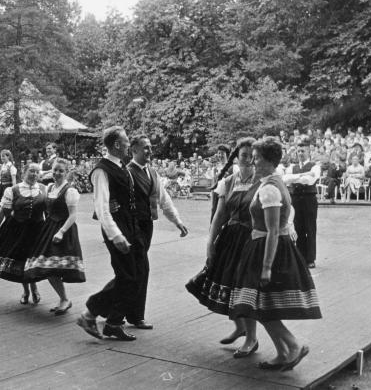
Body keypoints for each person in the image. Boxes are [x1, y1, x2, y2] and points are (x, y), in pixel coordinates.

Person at [230, 137, 321, 371]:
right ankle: (283, 353)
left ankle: (293, 345)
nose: (253, 161)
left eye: (258, 158)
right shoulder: (272, 182)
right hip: (264, 246)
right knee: (263, 305)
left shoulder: (270, 188)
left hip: (267, 249)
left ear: (269, 161)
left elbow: (272, 231)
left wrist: (267, 266)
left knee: (259, 305)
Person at [186, 138, 261, 358]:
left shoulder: (263, 181)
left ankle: (252, 338)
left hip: (251, 239)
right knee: (229, 282)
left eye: (252, 156)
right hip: (230, 238)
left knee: (245, 287)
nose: (248, 160)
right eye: (244, 155)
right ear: (236, 157)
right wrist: (210, 242)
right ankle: (240, 327)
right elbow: (219, 215)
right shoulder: (228, 181)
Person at [76, 126, 145, 341]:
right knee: (128, 277)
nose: (128, 144)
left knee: (135, 276)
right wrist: (116, 235)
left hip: (131, 227)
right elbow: (102, 209)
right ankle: (91, 314)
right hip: (118, 229)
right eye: (126, 141)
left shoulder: (120, 165)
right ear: (116, 144)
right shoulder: (101, 170)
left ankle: (113, 322)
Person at [127, 136, 188, 329]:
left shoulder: (152, 173)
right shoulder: (126, 172)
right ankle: (135, 315)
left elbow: (164, 199)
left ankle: (114, 310)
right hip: (131, 225)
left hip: (147, 226)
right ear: (134, 149)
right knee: (140, 269)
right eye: (145, 148)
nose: (150, 151)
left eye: (150, 148)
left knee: (132, 270)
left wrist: (177, 221)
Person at [25, 159, 85, 314]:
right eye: (55, 170)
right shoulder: (50, 187)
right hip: (49, 228)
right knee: (46, 267)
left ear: (67, 173)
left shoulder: (70, 191)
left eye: (61, 171)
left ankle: (64, 299)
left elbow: (72, 216)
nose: (57, 173)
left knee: (52, 267)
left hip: (63, 230)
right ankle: (64, 299)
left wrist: (61, 232)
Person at [0, 163, 46, 303]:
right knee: (22, 261)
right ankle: (26, 291)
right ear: (24, 172)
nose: (34, 174)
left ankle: (34, 288)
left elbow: (48, 212)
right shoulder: (13, 190)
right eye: (31, 171)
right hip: (19, 231)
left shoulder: (44, 189)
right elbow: (2, 213)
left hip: (38, 231)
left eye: (37, 172)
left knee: (33, 261)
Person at [284, 139, 320, 268]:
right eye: (298, 151)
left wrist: (296, 178)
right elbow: (286, 180)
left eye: (303, 151)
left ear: (308, 151)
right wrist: (302, 175)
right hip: (295, 199)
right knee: (297, 227)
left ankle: (310, 258)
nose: (300, 153)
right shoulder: (292, 166)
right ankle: (300, 256)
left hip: (309, 198)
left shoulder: (315, 166)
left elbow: (309, 181)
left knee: (310, 228)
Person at [0, 149, 18, 215]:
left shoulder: (11, 167)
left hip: (8, 187)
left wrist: (14, 190)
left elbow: (14, 180)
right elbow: (1, 179)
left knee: (7, 203)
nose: (2, 158)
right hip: (2, 186)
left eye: (3, 156)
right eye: (1, 156)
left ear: (8, 157)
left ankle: (8, 216)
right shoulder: (3, 166)